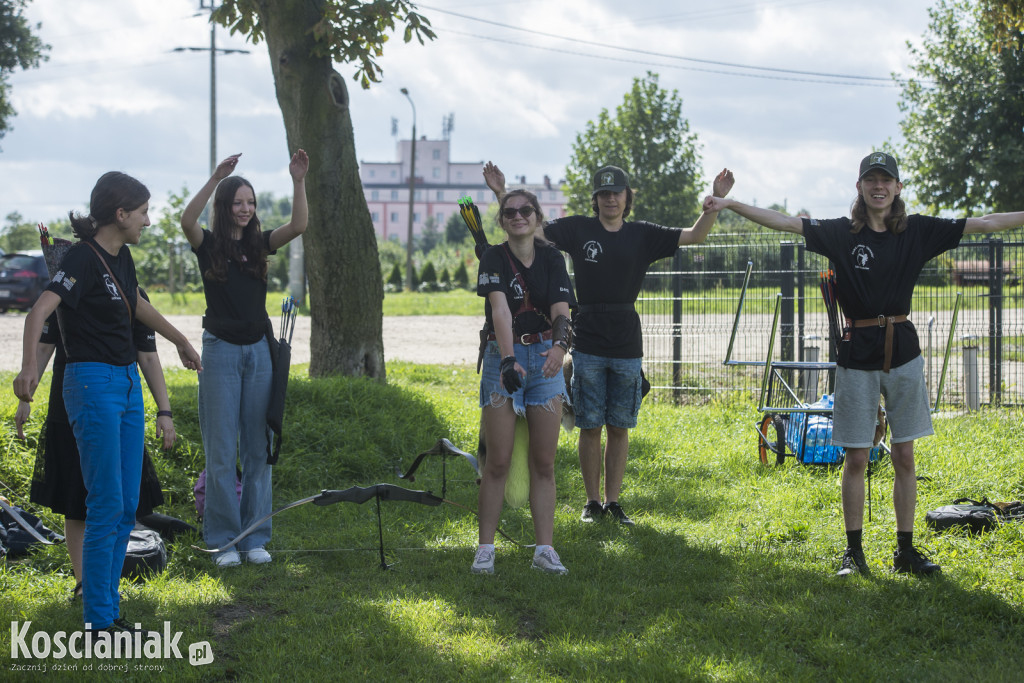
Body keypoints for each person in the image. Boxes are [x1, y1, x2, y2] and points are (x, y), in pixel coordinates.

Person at [703, 151, 1024, 576]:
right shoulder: (840, 233)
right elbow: (783, 221)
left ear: (897, 188)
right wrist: (728, 204)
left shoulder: (919, 231)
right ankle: (853, 554)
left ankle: (905, 552)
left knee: (904, 456)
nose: (878, 186)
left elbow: (984, 223)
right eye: (871, 179)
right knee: (856, 458)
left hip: (904, 354)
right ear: (859, 187)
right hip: (856, 356)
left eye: (886, 180)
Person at [485, 162, 734, 525]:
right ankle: (592, 503)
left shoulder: (642, 234)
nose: (610, 199)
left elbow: (694, 236)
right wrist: (500, 192)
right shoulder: (579, 229)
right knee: (589, 424)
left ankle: (614, 502)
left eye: (616, 192)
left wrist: (716, 203)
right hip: (586, 338)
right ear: (596, 199)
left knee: (619, 425)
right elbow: (530, 228)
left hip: (626, 342)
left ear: (627, 197)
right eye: (603, 193)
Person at [13, 172, 201, 635]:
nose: (149, 221)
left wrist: (178, 339)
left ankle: (109, 609)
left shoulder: (124, 258)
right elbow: (40, 311)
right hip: (91, 382)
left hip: (126, 384)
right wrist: (28, 370)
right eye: (142, 213)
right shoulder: (79, 256)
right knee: (105, 502)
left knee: (124, 506)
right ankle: (98, 620)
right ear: (120, 214)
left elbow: (136, 304)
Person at [180, 150, 308, 567]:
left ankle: (254, 538)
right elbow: (185, 220)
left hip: (259, 353)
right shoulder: (208, 244)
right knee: (220, 452)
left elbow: (300, 224)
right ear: (225, 206)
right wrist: (216, 177)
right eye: (238, 202)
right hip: (219, 352)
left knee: (258, 450)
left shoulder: (260, 242)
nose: (246, 209)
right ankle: (222, 539)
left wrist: (298, 181)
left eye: (250, 203)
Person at [16, 291, 177, 601]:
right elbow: (44, 345)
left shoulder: (133, 291)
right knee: (75, 502)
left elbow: (147, 354)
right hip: (69, 405)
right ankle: (84, 585)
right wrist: (25, 397)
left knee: (117, 502)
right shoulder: (68, 282)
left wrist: (164, 411)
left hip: (118, 410)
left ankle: (105, 586)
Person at [472, 189, 576, 575]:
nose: (518, 216)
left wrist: (559, 349)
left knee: (544, 464)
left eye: (525, 210)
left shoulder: (552, 257)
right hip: (505, 358)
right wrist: (509, 358)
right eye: (510, 211)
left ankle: (544, 550)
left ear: (537, 217)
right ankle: (485, 549)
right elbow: (499, 309)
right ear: (502, 220)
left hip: (546, 359)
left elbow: (562, 309)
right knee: (497, 461)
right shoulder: (493, 257)